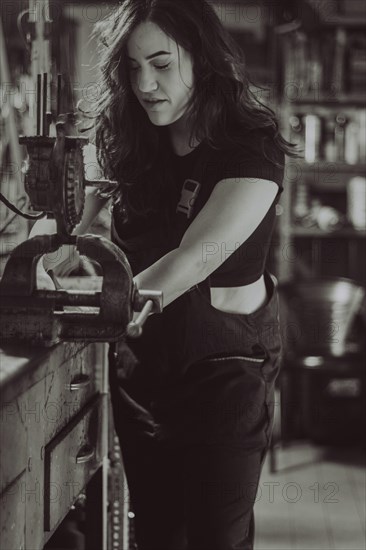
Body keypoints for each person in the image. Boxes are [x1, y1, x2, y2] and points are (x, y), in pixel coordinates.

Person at [33, 1, 296, 548]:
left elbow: (195, 257)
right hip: (144, 369)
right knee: (158, 534)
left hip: (225, 371)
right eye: (132, 67)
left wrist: (85, 301)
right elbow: (78, 237)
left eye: (161, 63)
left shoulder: (252, 143)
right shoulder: (132, 140)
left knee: (214, 538)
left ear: (202, 58)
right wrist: (54, 259)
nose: (145, 83)